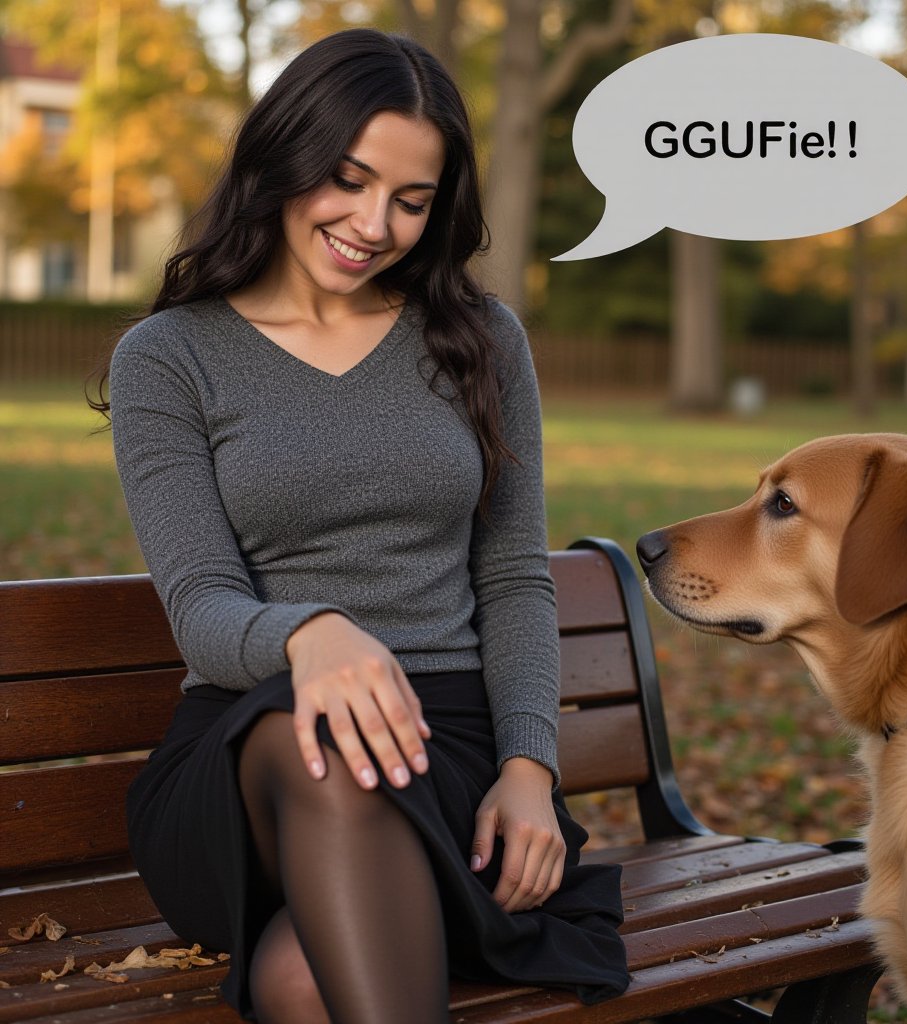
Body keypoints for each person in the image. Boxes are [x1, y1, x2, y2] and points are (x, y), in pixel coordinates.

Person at [91, 27, 629, 1024]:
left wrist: (527, 766)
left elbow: (513, 576)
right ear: (283, 156)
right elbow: (200, 602)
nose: (373, 223)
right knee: (318, 735)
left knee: (301, 981)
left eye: (412, 200)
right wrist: (312, 632)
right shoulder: (169, 356)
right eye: (346, 178)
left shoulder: (478, 338)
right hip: (254, 754)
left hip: (448, 744)